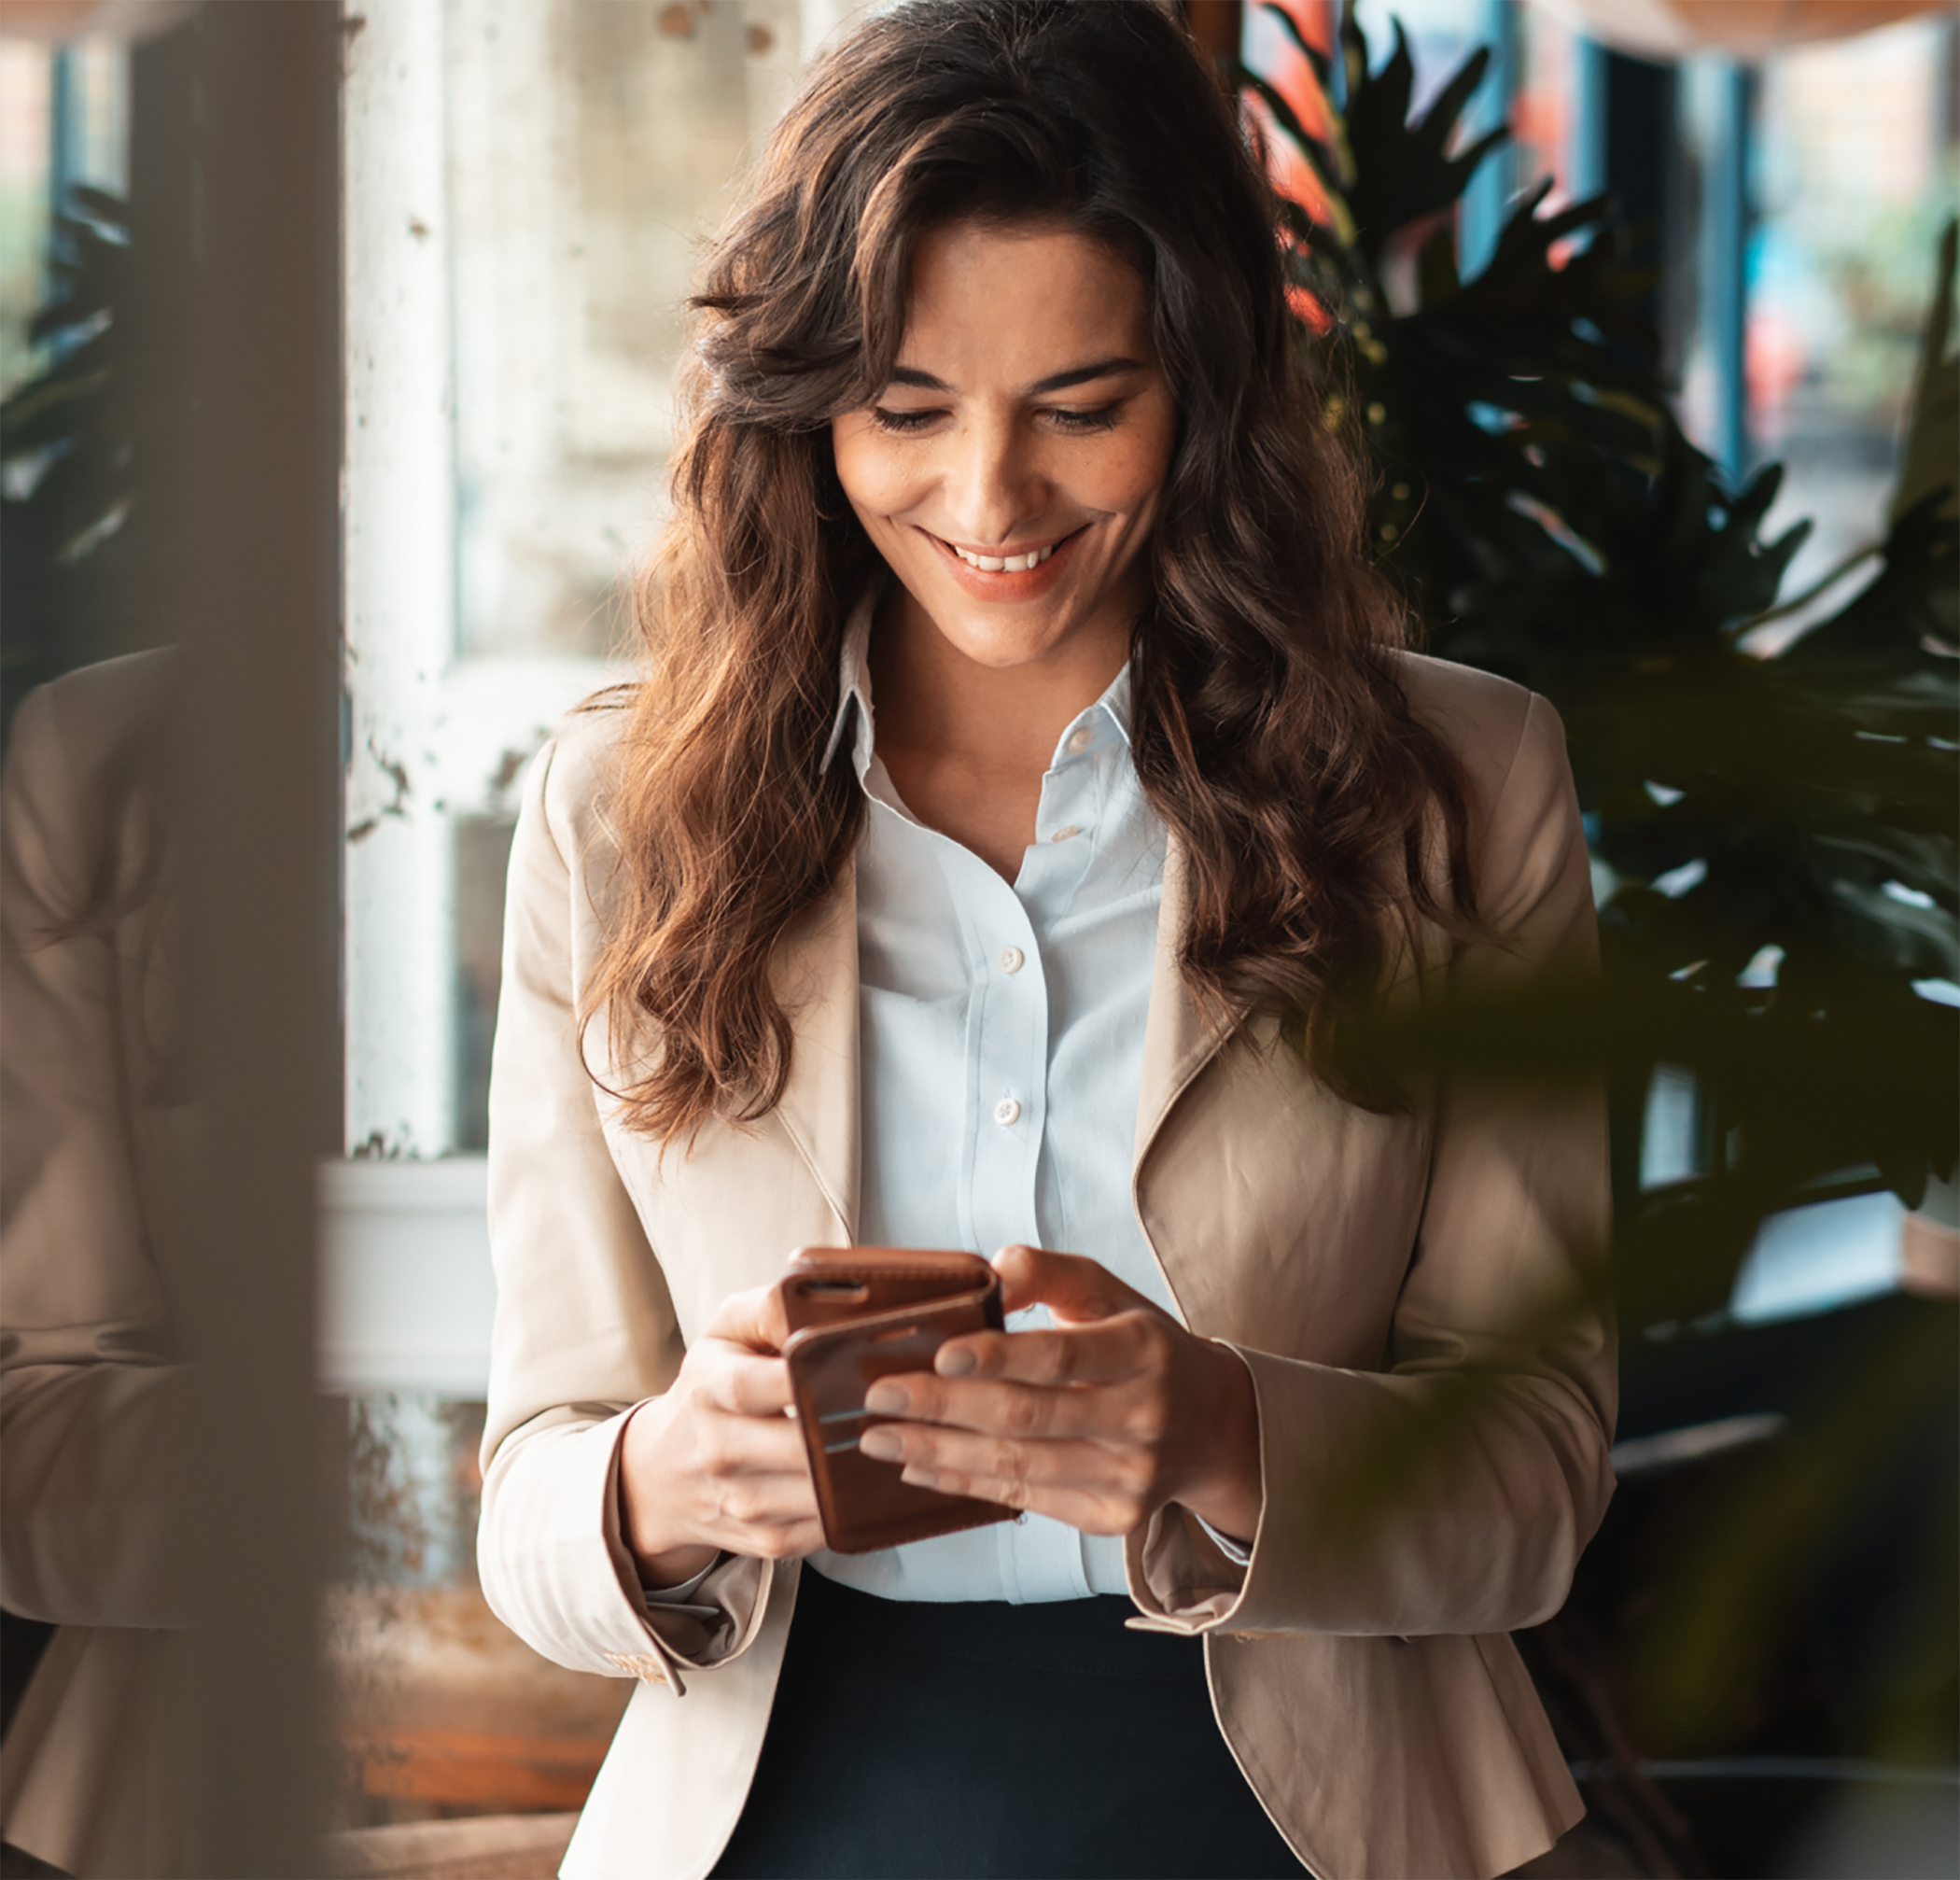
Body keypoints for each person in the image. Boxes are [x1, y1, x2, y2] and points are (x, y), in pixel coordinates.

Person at [476, 1, 1615, 1875]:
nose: (990, 502)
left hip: (1318, 1806)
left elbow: (1540, 1471)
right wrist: (654, 1480)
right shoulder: (619, 817)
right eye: (907, 410)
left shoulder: (1462, 783)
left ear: (1210, 387)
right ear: (803, 400)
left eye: (1083, 408)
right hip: (786, 1804)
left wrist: (1220, 1429)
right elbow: (532, 1493)